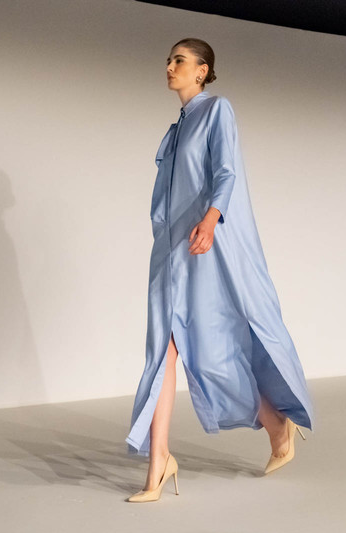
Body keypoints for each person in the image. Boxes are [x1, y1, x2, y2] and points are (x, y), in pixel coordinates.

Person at [125, 38, 315, 503]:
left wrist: (211, 220)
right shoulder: (176, 128)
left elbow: (227, 173)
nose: (169, 66)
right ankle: (159, 462)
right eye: (168, 60)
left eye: (179, 60)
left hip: (203, 248)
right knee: (162, 352)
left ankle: (277, 424)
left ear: (202, 70)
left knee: (212, 354)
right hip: (170, 252)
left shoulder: (216, 111)